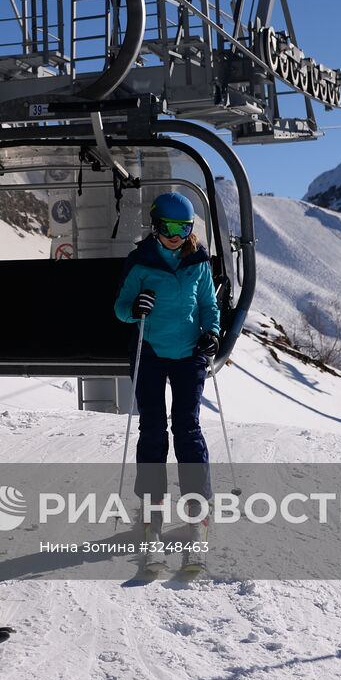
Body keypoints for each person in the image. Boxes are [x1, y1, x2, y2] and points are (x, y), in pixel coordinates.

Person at [113, 192, 221, 548]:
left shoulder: (198, 261)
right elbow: (121, 308)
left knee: (187, 428)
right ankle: (151, 511)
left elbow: (208, 304)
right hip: (151, 351)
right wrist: (136, 307)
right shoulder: (140, 262)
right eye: (168, 226)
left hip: (189, 353)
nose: (175, 234)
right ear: (156, 225)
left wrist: (212, 334)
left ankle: (198, 510)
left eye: (183, 227)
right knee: (154, 428)